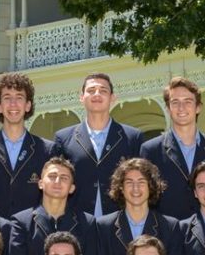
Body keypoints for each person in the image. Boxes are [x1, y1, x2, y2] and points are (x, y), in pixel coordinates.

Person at [53, 73, 144, 217]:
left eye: (103, 90)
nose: (97, 94)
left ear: (112, 97)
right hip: (77, 223)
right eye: (91, 90)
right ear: (81, 97)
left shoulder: (133, 137)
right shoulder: (63, 138)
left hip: (120, 221)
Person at [9, 156, 99, 255]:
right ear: (40, 183)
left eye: (64, 178)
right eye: (52, 176)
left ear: (72, 188)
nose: (57, 182)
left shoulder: (87, 223)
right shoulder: (21, 223)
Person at [140, 77, 205, 221]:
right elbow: (147, 199)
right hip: (168, 235)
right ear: (168, 108)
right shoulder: (150, 150)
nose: (181, 108)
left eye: (188, 101)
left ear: (198, 107)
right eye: (175, 102)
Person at [96, 158, 184, 255]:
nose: (135, 188)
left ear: (151, 186)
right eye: (129, 182)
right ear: (121, 187)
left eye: (141, 182)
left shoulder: (170, 227)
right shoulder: (103, 227)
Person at [0, 72, 55, 217]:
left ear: (28, 105)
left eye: (19, 97)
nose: (13, 104)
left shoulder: (48, 150)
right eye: (7, 98)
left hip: (32, 234)